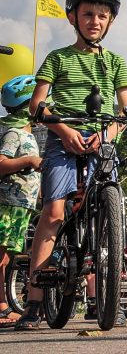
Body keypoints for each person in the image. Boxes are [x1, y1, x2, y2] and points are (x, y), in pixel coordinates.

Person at [16, 0, 127, 330]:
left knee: (105, 214)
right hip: (62, 136)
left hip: (102, 139)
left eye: (101, 15)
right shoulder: (58, 58)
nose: (94, 21)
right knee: (53, 213)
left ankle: (102, 299)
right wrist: (63, 131)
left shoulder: (115, 62)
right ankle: (35, 302)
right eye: (87, 14)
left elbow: (125, 110)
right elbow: (39, 102)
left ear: (110, 21)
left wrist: (107, 133)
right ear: (73, 17)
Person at [0, 76, 43, 327]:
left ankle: (4, 304)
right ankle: (2, 306)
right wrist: (28, 162)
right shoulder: (14, 134)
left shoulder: (29, 134)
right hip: (7, 204)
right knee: (1, 257)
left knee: (6, 258)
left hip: (20, 206)